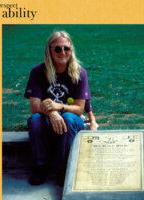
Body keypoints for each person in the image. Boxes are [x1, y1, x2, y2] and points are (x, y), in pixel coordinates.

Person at [25, 30, 98, 186]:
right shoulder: (38, 71)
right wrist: (51, 112)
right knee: (35, 120)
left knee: (69, 118)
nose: (62, 52)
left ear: (71, 50)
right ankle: (40, 166)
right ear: (49, 50)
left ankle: (62, 167)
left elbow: (79, 109)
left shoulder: (79, 73)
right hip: (47, 118)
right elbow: (34, 107)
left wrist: (58, 107)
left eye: (67, 48)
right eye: (57, 49)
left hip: (71, 119)